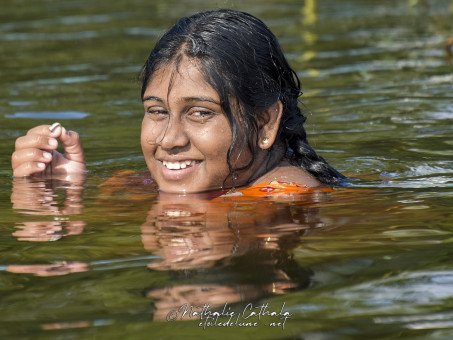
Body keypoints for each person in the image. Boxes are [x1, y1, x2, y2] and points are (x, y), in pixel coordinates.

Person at [11, 9, 346, 194]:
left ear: (266, 122)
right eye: (157, 111)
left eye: (200, 112)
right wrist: (62, 186)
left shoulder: (286, 199)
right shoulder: (225, 190)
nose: (169, 140)